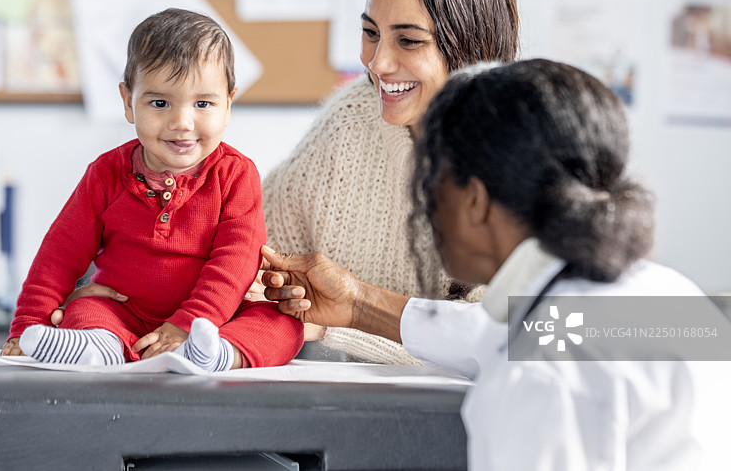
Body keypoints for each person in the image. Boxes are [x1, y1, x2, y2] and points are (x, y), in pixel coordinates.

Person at [48, 0, 519, 365]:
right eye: (371, 32)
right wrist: (115, 297)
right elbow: (238, 243)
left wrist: (358, 308)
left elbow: (551, 336)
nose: (377, 63)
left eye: (409, 40)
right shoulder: (355, 117)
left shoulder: (530, 151)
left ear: (471, 44)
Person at [259, 59, 717, 469]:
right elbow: (494, 332)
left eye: (431, 186)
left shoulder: (534, 379)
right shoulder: (670, 299)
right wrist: (358, 304)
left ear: (474, 201)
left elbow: (525, 349)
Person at [1, 8, 303, 370]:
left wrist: (188, 324)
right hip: (124, 312)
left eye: (203, 104)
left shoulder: (236, 174)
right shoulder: (105, 173)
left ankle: (215, 355)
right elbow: (59, 254)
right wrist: (27, 325)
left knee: (283, 324)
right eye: (160, 103)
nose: (182, 122)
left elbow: (234, 262)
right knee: (84, 308)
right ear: (128, 101)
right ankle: (98, 349)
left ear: (228, 105)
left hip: (212, 320)